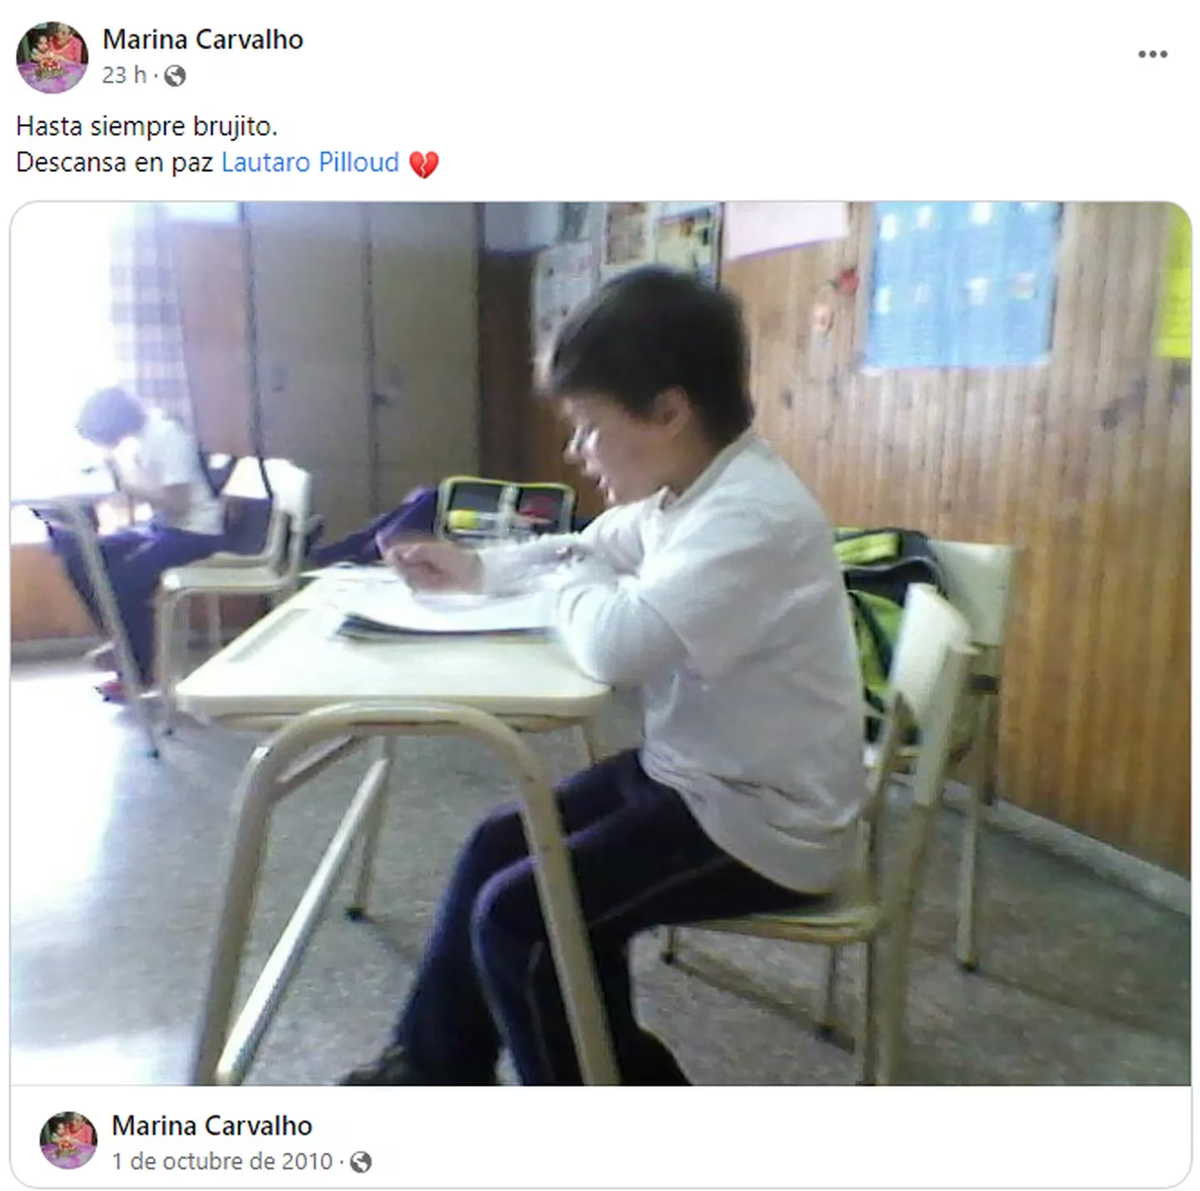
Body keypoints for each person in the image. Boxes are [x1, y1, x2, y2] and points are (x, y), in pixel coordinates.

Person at [339, 267, 866, 1086]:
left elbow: (613, 645)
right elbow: (583, 546)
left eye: (588, 426)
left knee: (524, 919)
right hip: (695, 777)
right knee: (497, 844)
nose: (575, 450)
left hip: (766, 823)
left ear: (667, 411)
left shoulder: (749, 516)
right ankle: (430, 1072)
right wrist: (478, 569)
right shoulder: (685, 492)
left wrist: (571, 577)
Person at [41, 387, 226, 702]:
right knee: (81, 557)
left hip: (196, 533)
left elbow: (178, 503)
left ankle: (138, 672)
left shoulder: (167, 435)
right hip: (165, 528)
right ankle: (122, 641)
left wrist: (124, 483)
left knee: (123, 583)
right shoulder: (144, 436)